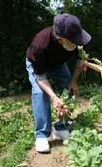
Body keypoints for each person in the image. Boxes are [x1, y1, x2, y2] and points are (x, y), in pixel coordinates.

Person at [25, 13, 91, 153]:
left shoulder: (76, 37)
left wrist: (73, 81)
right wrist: (53, 97)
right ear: (60, 40)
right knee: (40, 93)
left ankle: (61, 127)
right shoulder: (40, 45)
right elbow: (41, 77)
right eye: (74, 41)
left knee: (69, 90)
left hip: (57, 64)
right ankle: (42, 135)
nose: (79, 42)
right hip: (37, 65)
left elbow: (81, 61)